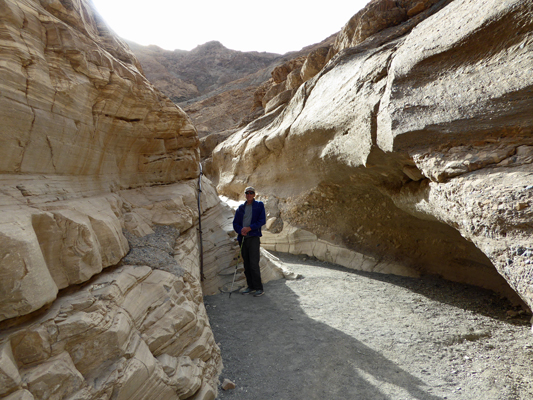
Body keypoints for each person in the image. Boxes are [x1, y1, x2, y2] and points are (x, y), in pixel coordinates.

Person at [233, 186, 266, 297]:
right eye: (247, 193)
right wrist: (240, 230)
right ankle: (250, 286)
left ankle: (259, 288)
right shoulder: (241, 208)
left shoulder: (259, 205)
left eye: (251, 193)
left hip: (253, 238)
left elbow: (262, 220)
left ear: (254, 195)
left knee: (253, 263)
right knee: (246, 263)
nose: (249, 195)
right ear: (245, 194)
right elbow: (235, 223)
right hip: (243, 238)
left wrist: (249, 228)